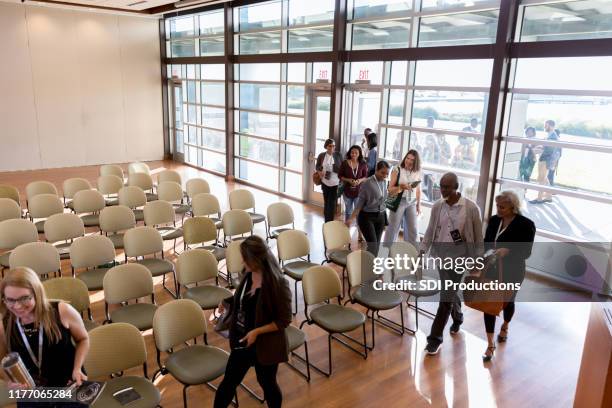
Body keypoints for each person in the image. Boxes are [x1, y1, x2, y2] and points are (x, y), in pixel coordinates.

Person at [214, 236, 292, 408]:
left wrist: (257, 332)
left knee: (267, 384)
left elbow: (284, 320)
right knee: (228, 384)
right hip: (242, 342)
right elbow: (244, 300)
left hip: (265, 346)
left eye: (246, 258)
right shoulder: (248, 274)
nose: (243, 261)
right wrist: (227, 301)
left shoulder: (278, 284)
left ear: (258, 259)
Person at [420, 173, 484, 355]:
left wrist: (477, 260)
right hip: (441, 256)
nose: (443, 190)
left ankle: (434, 339)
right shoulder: (438, 206)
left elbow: (478, 238)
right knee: (449, 290)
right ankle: (458, 316)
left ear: (457, 187)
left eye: (447, 187)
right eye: (441, 186)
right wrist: (422, 250)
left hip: (459, 258)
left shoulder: (471, 209)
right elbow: (431, 229)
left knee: (445, 298)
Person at [0, 267, 89, 389]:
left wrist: (77, 368)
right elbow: (2, 362)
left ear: (37, 293)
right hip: (31, 391)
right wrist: (10, 382)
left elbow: (83, 339)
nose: (18, 306)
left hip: (70, 383)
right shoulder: (2, 325)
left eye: (25, 298)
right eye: (10, 300)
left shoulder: (62, 311)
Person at [481, 191, 535, 361]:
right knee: (488, 305)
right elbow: (487, 242)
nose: (498, 209)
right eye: (497, 206)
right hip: (492, 269)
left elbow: (526, 252)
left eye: (502, 207)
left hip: (513, 271)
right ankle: (490, 344)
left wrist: (509, 251)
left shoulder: (526, 225)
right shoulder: (495, 220)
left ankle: (505, 325)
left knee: (507, 302)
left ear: (513, 207)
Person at [346, 161, 390, 256]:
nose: (385, 176)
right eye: (382, 173)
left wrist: (386, 220)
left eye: (387, 173)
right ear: (376, 170)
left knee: (376, 246)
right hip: (367, 217)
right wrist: (351, 218)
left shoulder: (384, 182)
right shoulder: (367, 183)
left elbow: (383, 201)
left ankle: (371, 267)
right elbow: (359, 204)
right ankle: (365, 267)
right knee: (373, 246)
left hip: (380, 216)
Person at [384, 150, 422, 248]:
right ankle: (384, 254)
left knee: (413, 230)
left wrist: (418, 205)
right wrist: (401, 187)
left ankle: (414, 254)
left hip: (412, 202)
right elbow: (390, 190)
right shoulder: (397, 170)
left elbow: (418, 190)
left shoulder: (417, 171)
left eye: (412, 160)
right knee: (392, 229)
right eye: (407, 158)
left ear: (416, 162)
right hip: (399, 202)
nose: (408, 161)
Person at [531, 120, 559, 204]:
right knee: (544, 178)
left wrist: (539, 150)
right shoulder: (550, 135)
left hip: (545, 160)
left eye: (546, 125)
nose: (544, 127)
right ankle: (549, 197)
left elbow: (549, 150)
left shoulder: (553, 136)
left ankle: (539, 198)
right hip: (544, 159)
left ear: (551, 126)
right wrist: (541, 146)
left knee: (541, 179)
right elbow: (546, 146)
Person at [339, 145, 368, 222]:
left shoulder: (363, 163)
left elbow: (365, 176)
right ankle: (347, 230)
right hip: (347, 192)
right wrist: (348, 180)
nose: (354, 154)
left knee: (358, 213)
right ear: (349, 153)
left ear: (359, 154)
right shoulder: (345, 163)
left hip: (359, 192)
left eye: (356, 153)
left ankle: (359, 233)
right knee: (348, 212)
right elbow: (340, 175)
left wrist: (359, 181)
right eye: (352, 152)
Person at [316, 139, 343, 222]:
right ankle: (326, 221)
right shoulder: (321, 155)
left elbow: (341, 168)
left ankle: (329, 222)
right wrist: (319, 172)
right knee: (326, 203)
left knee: (331, 204)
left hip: (335, 183)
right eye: (330, 146)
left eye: (333, 146)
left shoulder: (338, 155)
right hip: (325, 182)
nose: (332, 148)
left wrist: (333, 168)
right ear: (326, 146)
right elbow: (317, 166)